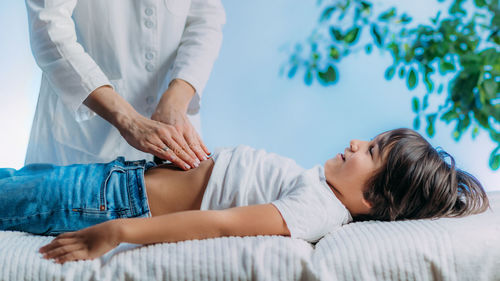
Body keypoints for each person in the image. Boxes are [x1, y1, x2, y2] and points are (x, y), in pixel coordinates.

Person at [0, 128, 489, 264]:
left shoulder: (320, 209)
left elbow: (224, 223)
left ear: (372, 199)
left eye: (373, 151)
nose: (357, 142)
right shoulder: (318, 188)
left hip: (109, 200)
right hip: (116, 178)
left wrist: (119, 230)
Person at [24, 0, 225, 170]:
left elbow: (206, 20)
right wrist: (129, 121)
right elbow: (49, 29)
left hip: (175, 129)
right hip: (83, 141)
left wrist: (177, 98)